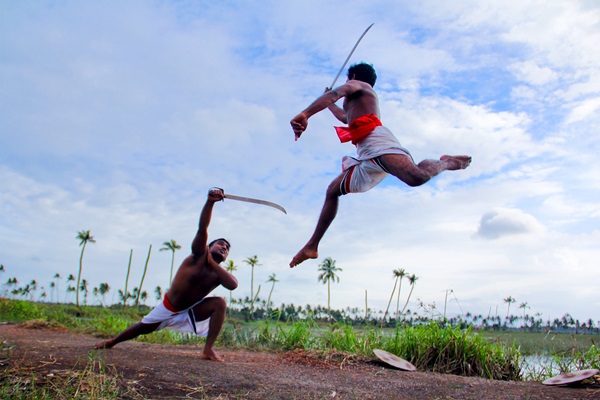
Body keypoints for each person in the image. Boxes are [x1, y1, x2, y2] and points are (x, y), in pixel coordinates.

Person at [289, 62, 471, 268]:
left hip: (377, 141)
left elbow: (336, 94)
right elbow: (343, 115)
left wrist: (306, 113)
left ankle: (447, 162)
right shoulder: (357, 102)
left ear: (354, 77)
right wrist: (330, 103)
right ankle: (312, 246)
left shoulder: (360, 86)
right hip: (366, 153)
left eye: (348, 81)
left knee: (417, 177)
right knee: (332, 191)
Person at [94, 188, 238, 362]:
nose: (224, 247)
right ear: (209, 246)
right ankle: (112, 341)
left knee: (219, 303)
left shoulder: (218, 273)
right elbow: (203, 227)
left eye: (227, 248)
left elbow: (233, 284)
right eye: (221, 244)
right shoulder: (199, 255)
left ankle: (208, 349)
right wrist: (210, 202)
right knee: (142, 328)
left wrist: (213, 264)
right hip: (169, 307)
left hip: (190, 310)